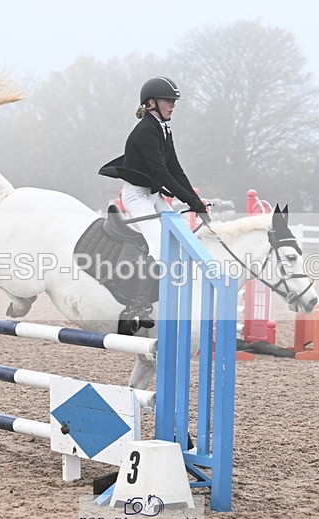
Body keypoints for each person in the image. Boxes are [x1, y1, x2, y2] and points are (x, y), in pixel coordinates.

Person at [99, 76, 209, 332]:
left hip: (153, 195)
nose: (173, 105)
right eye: (168, 101)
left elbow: (175, 169)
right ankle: (138, 307)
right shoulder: (146, 132)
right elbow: (162, 175)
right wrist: (192, 200)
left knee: (180, 233)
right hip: (137, 196)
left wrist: (195, 200)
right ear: (151, 103)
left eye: (173, 101)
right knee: (159, 247)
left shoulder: (163, 128)